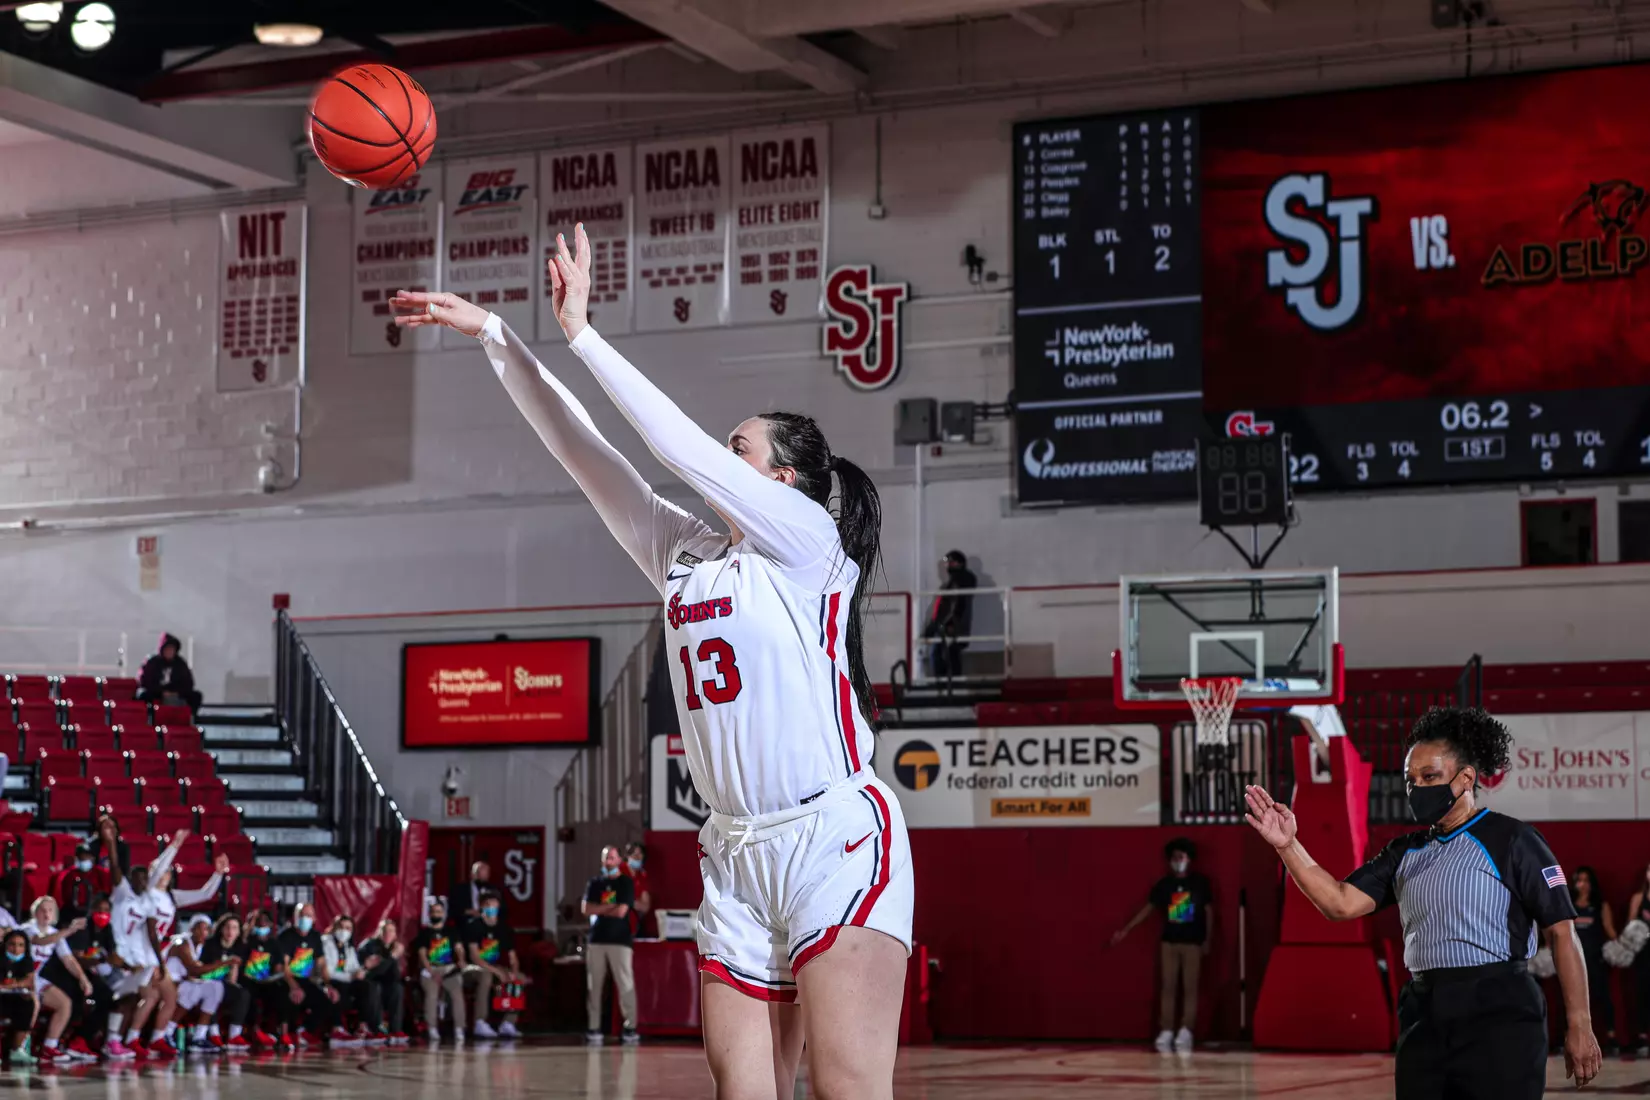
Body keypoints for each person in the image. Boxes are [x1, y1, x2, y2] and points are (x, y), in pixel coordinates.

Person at [394, 222, 912, 1100]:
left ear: (781, 480)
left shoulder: (808, 542)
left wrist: (586, 333)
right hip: (736, 851)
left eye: (739, 449)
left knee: (844, 1092)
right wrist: (496, 337)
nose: (721, 458)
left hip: (833, 838)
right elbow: (583, 450)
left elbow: (672, 446)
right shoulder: (683, 549)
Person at [1244, 706, 1603, 1097]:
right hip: (1424, 1009)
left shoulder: (1514, 840)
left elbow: (1563, 933)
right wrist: (1288, 845)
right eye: (1410, 779)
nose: (1417, 787)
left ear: (1465, 778)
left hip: (1499, 1008)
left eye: (1430, 776)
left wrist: (1579, 1023)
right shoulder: (1404, 852)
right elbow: (1339, 903)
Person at [1110, 837, 1214, 1052]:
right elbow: (1148, 909)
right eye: (1174, 857)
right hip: (1169, 942)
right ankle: (1166, 1029)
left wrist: (1207, 940)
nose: (1178, 861)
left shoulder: (1199, 883)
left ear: (1189, 859)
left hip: (1193, 943)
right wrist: (1127, 929)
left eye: (1182, 857)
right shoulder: (1164, 885)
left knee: (1190, 988)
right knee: (1168, 987)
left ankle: (1186, 1030)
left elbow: (1209, 912)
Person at [102, 821, 189, 1060]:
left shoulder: (147, 904)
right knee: (126, 1000)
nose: (141, 882)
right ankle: (114, 1041)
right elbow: (116, 866)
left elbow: (152, 934)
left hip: (136, 959)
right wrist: (110, 842)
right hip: (118, 955)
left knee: (140, 998)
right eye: (137, 878)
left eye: (144, 879)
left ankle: (121, 1040)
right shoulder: (123, 894)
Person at [24, 896, 93, 1065]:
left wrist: (83, 978)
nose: (46, 914)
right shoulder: (27, 928)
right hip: (19, 977)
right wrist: (70, 930)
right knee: (33, 1005)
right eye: (42, 910)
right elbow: (40, 941)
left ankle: (49, 1046)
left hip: (36, 979)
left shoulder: (56, 934)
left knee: (64, 1003)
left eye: (50, 910)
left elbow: (68, 959)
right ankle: (20, 1046)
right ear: (35, 912)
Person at [582, 846, 637, 1045]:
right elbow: (586, 909)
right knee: (594, 986)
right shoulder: (595, 883)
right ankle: (594, 1027)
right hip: (596, 941)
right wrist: (609, 907)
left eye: (612, 858)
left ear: (619, 860)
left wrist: (600, 909)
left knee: (625, 985)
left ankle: (630, 1027)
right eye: (606, 858)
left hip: (620, 941)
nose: (608, 862)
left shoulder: (625, 883)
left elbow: (622, 911)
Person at [60, 894, 124, 1060]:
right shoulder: (82, 929)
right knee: (104, 996)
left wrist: (122, 964)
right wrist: (103, 960)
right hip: (73, 973)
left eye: (106, 910)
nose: (103, 914)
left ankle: (97, 1039)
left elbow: (112, 956)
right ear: (91, 910)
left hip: (96, 973)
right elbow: (77, 959)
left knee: (116, 998)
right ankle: (77, 1041)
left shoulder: (107, 930)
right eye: (99, 909)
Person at [1570, 865, 1619, 1054]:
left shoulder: (1600, 905)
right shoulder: (1569, 905)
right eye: (1579, 880)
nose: (1582, 885)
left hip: (1595, 959)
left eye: (1586, 880)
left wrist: (1622, 946)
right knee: (1573, 999)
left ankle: (1611, 1036)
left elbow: (1610, 930)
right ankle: (1570, 1037)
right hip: (1573, 962)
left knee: (1602, 997)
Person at [462, 888, 524, 1039]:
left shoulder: (504, 928)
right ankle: (480, 1022)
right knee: (486, 976)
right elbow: (475, 957)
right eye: (488, 905)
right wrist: (498, 972)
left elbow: (513, 958)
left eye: (494, 905)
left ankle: (508, 1024)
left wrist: (513, 972)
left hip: (494, 966)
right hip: (473, 968)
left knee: (518, 978)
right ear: (482, 907)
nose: (492, 908)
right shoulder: (473, 926)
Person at [275, 902, 339, 1047]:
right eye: (302, 915)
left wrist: (328, 985)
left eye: (309, 915)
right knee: (286, 995)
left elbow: (321, 964)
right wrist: (293, 986)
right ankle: (284, 1033)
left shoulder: (315, 937)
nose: (305, 918)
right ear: (295, 917)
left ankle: (304, 1031)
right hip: (287, 979)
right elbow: (283, 966)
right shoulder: (285, 936)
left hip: (306, 980)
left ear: (314, 918)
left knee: (327, 1000)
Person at [166, 915, 226, 1053]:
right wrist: (223, 963)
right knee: (192, 989)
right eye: (199, 929)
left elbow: (197, 973)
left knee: (215, 987)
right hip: (169, 982)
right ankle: (167, 1033)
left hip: (183, 981)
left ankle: (199, 1037)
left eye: (206, 930)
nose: (202, 932)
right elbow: (194, 969)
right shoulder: (183, 943)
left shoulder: (200, 947)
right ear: (192, 929)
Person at [412, 899, 465, 1044]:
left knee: (457, 993)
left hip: (449, 968)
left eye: (439, 911)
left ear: (444, 914)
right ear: (430, 914)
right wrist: (430, 970)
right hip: (430, 969)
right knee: (432, 994)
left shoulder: (452, 931)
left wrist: (461, 959)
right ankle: (432, 1028)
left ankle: (459, 1028)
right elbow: (422, 954)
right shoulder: (424, 933)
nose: (437, 914)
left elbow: (459, 948)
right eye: (434, 912)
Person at [234, 910, 287, 1050]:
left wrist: (272, 976)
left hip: (266, 981)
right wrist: (249, 926)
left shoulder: (274, 944)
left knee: (280, 991)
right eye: (258, 921)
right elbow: (241, 945)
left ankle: (279, 1032)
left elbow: (278, 968)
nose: (261, 923)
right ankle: (253, 1030)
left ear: (270, 924)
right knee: (248, 994)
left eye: (264, 920)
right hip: (247, 979)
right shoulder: (247, 941)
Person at [922, 550, 976, 680]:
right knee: (944, 653)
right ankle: (945, 683)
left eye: (951, 563)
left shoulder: (960, 581)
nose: (947, 566)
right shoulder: (951, 583)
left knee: (944, 653)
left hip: (950, 625)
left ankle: (945, 683)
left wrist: (949, 623)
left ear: (960, 564)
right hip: (946, 624)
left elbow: (957, 605)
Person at [198, 914, 249, 1052]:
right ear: (221, 929)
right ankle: (214, 1034)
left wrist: (234, 967)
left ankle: (234, 1035)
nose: (230, 932)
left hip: (227, 985)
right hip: (207, 982)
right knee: (213, 991)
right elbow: (201, 971)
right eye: (227, 927)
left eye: (234, 928)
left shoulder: (241, 948)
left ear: (239, 932)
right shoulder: (209, 945)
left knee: (243, 994)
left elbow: (233, 981)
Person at [356, 918, 408, 1044]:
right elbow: (374, 973)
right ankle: (376, 1028)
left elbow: (394, 976)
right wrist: (392, 957)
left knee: (397, 988)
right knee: (376, 986)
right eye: (385, 931)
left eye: (392, 931)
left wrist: (393, 958)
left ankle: (396, 1029)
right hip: (366, 986)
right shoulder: (370, 945)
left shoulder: (392, 948)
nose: (388, 934)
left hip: (385, 988)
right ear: (379, 932)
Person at [322, 914, 368, 1046]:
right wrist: (351, 976)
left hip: (346, 981)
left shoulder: (349, 947)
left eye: (348, 928)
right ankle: (337, 1029)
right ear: (335, 927)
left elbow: (355, 967)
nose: (344, 931)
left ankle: (362, 1026)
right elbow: (329, 972)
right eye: (341, 927)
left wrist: (362, 970)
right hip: (329, 981)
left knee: (365, 986)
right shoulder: (326, 942)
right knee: (337, 987)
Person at [137, 633, 202, 715]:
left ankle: (190, 720)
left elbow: (189, 683)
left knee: (196, 696)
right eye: (167, 649)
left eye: (172, 649)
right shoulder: (152, 662)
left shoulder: (180, 663)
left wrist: (176, 692)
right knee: (143, 694)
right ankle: (149, 719)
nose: (170, 651)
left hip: (176, 692)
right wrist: (161, 692)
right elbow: (144, 681)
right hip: (156, 692)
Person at [0, 929, 38, 1065]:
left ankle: (17, 1050)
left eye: (21, 945)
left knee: (28, 1004)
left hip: (14, 997)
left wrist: (9, 986)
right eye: (12, 944)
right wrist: (15, 984)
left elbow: (29, 981)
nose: (16, 949)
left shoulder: (27, 961)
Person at [51, 845, 105, 921]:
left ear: (93, 858)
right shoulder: (68, 875)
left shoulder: (99, 873)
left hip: (93, 912)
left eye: (88, 856)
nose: (85, 858)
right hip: (72, 913)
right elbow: (64, 899)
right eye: (81, 857)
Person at [625, 843, 653, 939]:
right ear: (628, 856)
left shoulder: (642, 876)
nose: (636, 857)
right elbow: (609, 901)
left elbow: (645, 906)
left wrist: (628, 901)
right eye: (633, 854)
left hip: (634, 926)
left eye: (639, 854)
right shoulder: (617, 872)